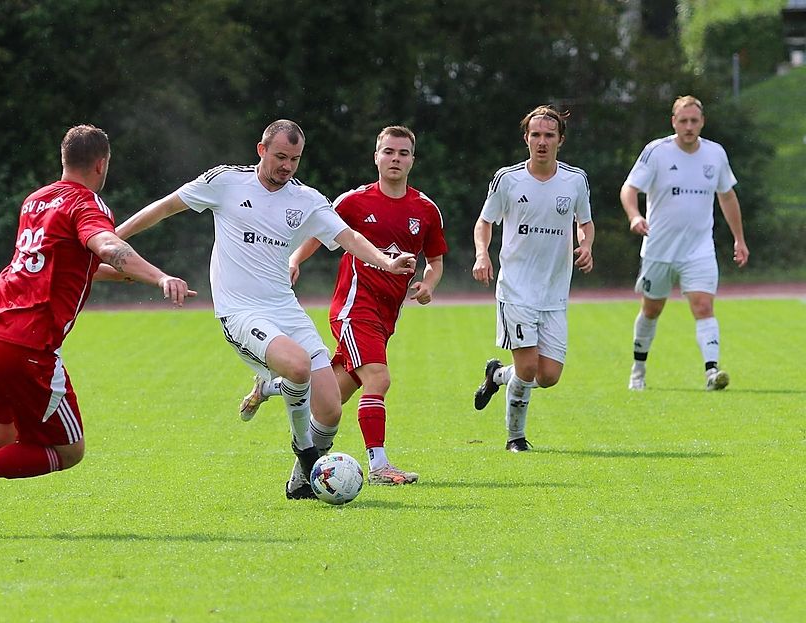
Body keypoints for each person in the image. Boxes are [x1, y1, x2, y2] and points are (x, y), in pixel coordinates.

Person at [0, 125, 195, 538]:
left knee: (1, 435)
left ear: (64, 160)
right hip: (27, 342)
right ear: (102, 164)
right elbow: (109, 247)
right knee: (68, 450)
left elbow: (63, 264)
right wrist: (158, 277)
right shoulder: (87, 204)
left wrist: (127, 277)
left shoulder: (36, 200)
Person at [114, 119, 416, 499]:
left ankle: (299, 482)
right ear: (261, 150)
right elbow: (163, 208)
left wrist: (385, 263)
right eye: (280, 156)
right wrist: (109, 239)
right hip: (240, 310)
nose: (287, 166)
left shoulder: (306, 199)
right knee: (297, 364)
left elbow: (349, 237)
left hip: (283, 307)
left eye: (295, 159)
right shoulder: (225, 182)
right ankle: (306, 453)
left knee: (329, 408)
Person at [241, 125, 447, 486]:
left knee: (331, 395)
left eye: (403, 153)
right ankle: (380, 466)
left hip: (387, 317)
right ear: (376, 157)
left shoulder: (426, 209)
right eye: (388, 152)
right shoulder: (354, 201)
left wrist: (428, 284)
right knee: (378, 379)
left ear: (412, 160)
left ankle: (272, 389)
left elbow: (436, 260)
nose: (395, 159)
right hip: (354, 308)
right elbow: (321, 232)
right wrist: (295, 261)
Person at [471, 106, 594, 452]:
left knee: (548, 376)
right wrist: (482, 254)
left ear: (560, 140)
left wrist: (587, 245)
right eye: (535, 135)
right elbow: (485, 222)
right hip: (516, 288)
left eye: (549, 135)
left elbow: (585, 223)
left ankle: (496, 376)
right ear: (526, 138)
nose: (542, 142)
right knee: (526, 368)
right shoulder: (508, 179)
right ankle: (516, 437)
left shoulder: (575, 180)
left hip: (555, 291)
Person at [621, 95, 749, 392]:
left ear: (702, 122)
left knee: (703, 305)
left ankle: (711, 372)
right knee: (651, 310)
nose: (689, 126)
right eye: (683, 120)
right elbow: (629, 188)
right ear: (673, 122)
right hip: (659, 249)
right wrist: (634, 215)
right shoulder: (657, 152)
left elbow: (727, 196)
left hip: (698, 249)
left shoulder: (715, 154)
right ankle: (638, 369)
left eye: (694, 121)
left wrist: (739, 239)